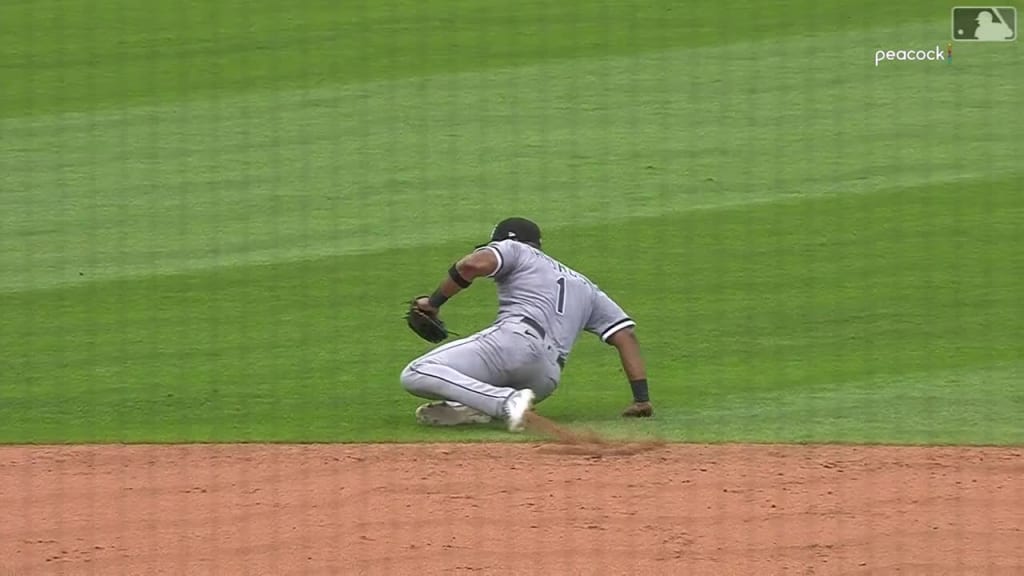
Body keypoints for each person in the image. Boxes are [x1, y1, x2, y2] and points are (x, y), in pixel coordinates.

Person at [399, 217, 654, 432]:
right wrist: (642, 400)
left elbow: (472, 265)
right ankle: (475, 409)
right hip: (544, 379)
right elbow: (625, 335)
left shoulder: (515, 249)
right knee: (472, 385)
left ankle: (504, 402)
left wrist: (433, 303)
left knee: (417, 372)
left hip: (515, 343)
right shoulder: (586, 287)